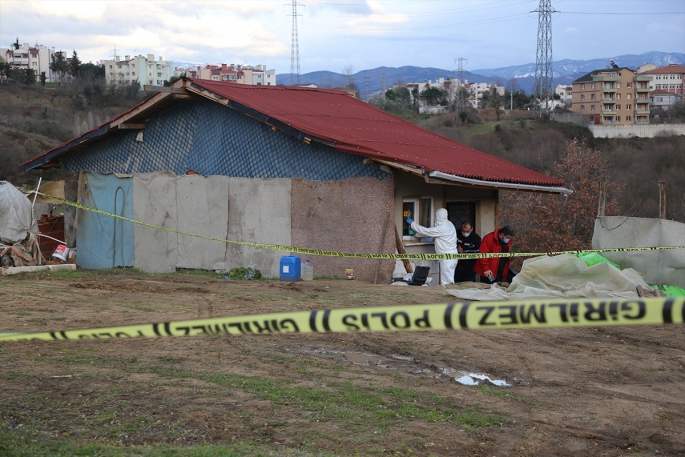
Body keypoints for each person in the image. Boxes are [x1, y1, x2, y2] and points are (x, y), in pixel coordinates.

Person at [405, 208, 457, 285]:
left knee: (447, 280)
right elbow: (432, 231)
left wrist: (412, 224)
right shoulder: (449, 224)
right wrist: (416, 234)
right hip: (451, 255)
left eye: (436, 216)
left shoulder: (442, 228)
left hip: (447, 257)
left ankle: (447, 294)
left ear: (439, 217)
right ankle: (448, 293)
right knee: (449, 277)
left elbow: (427, 231)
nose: (435, 218)